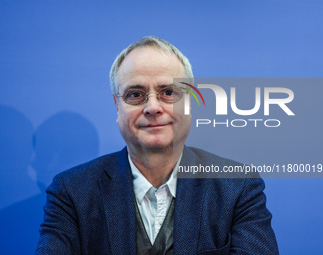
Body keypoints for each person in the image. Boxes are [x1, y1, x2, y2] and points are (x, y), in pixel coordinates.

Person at [36, 36, 279, 254]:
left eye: (168, 92)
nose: (153, 107)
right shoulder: (71, 191)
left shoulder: (238, 186)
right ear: (117, 107)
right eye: (135, 94)